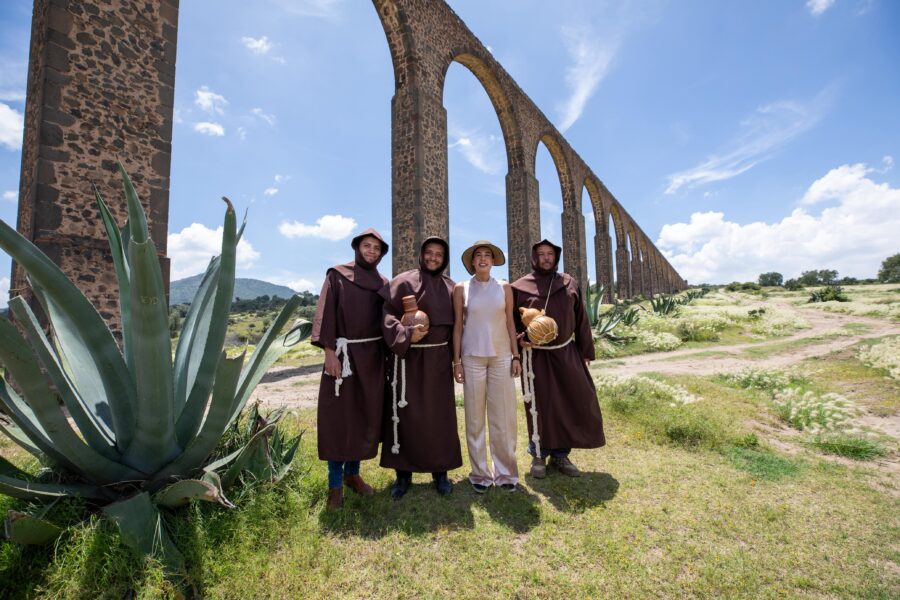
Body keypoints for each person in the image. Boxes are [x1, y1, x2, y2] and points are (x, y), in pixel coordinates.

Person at [511, 239, 605, 478]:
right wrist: (520, 341)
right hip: (536, 357)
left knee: (570, 400)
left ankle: (561, 455)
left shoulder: (568, 282)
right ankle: (538, 455)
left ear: (556, 256)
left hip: (566, 352)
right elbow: (511, 323)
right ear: (534, 258)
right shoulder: (519, 287)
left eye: (550, 254)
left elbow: (581, 317)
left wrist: (585, 350)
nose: (546, 258)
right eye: (541, 254)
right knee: (540, 406)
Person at [311, 228, 390, 510]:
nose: (371, 251)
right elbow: (325, 313)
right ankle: (334, 484)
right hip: (342, 357)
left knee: (363, 416)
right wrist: (329, 352)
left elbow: (388, 322)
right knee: (339, 420)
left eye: (376, 248)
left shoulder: (383, 284)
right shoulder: (337, 276)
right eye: (367, 246)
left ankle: (352, 475)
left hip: (371, 360)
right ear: (357, 248)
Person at [379, 236, 462, 499]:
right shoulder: (403, 282)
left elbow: (460, 326)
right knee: (406, 416)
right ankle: (403, 475)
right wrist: (405, 335)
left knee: (439, 417)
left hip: (438, 361)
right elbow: (387, 317)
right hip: (408, 361)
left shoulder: (452, 287)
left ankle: (440, 473)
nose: (433, 257)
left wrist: (458, 360)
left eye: (439, 254)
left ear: (444, 259)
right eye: (429, 252)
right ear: (421, 254)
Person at [451, 241, 522, 493]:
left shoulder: (504, 287)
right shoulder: (461, 288)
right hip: (472, 358)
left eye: (487, 255)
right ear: (472, 262)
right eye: (478, 255)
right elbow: (457, 326)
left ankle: (505, 473)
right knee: (474, 419)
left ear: (493, 261)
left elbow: (511, 323)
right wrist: (456, 361)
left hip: (502, 357)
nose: (483, 259)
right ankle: (480, 474)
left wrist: (516, 356)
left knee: (503, 417)